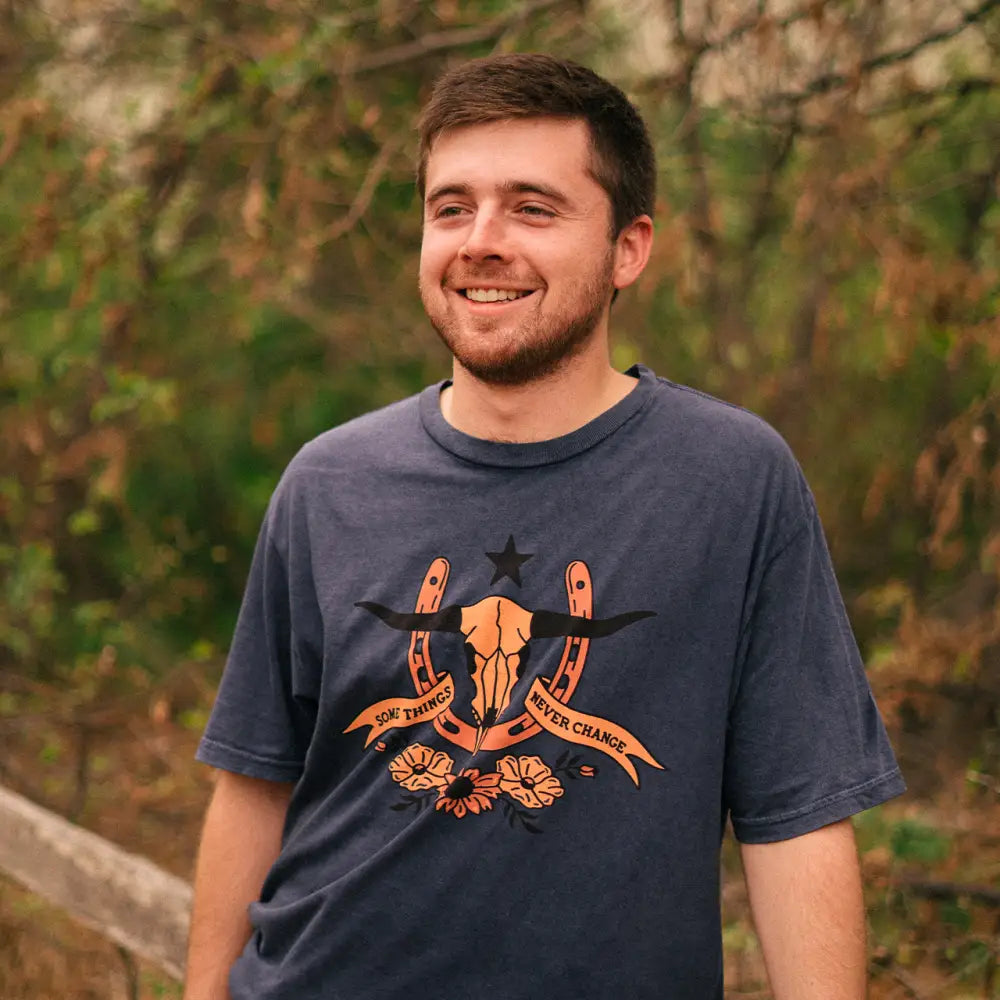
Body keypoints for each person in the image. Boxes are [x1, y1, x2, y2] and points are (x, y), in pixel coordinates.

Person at [184, 53, 904, 1000]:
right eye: (452, 207)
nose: (482, 241)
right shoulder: (329, 483)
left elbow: (798, 817)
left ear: (629, 248)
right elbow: (253, 787)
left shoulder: (732, 481)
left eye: (533, 207)